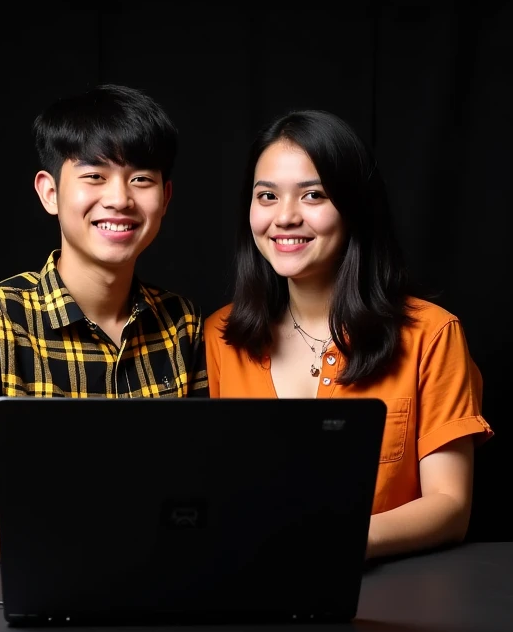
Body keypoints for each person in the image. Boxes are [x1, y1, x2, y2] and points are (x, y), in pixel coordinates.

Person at [0, 84, 208, 561]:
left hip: (164, 582)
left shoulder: (183, 323)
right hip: (33, 587)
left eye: (141, 179)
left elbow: (205, 479)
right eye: (94, 175)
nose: (119, 199)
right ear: (50, 192)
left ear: (166, 197)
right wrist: (81, 549)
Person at [205, 108, 492, 561]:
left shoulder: (432, 333)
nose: (285, 217)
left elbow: (450, 506)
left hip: (392, 602)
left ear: (354, 206)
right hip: (255, 592)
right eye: (266, 196)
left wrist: (333, 541)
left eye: (313, 195)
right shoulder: (221, 335)